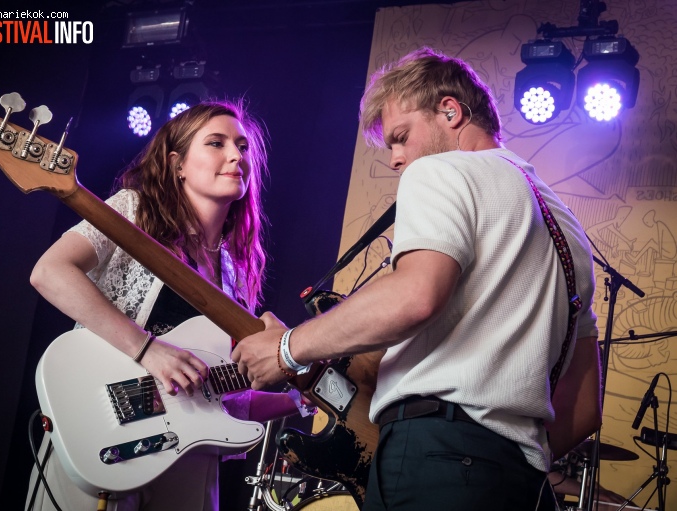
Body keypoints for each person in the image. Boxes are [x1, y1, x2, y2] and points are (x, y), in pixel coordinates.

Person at [232, 47, 603, 511]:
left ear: (450, 110)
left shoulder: (443, 170)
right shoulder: (568, 230)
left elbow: (415, 296)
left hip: (434, 462)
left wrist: (287, 349)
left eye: (402, 137)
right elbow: (586, 407)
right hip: (522, 481)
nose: (396, 158)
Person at [25, 100, 309, 511]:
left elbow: (218, 391)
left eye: (243, 147)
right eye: (217, 143)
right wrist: (147, 349)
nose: (236, 156)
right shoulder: (133, 211)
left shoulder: (237, 271)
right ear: (177, 164)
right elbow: (49, 272)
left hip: (188, 457)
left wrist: (298, 395)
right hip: (99, 434)